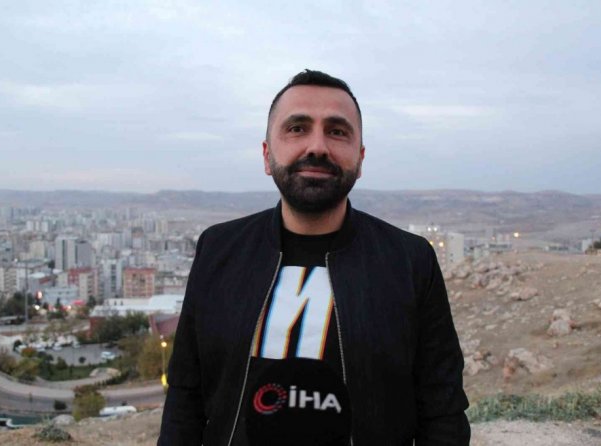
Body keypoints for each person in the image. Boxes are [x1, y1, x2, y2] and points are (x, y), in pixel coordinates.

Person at [158, 69, 470, 445]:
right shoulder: (219, 249)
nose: (317, 147)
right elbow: (185, 397)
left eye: (337, 131)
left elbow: (442, 412)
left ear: (360, 157)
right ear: (266, 154)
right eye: (297, 128)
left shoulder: (410, 261)